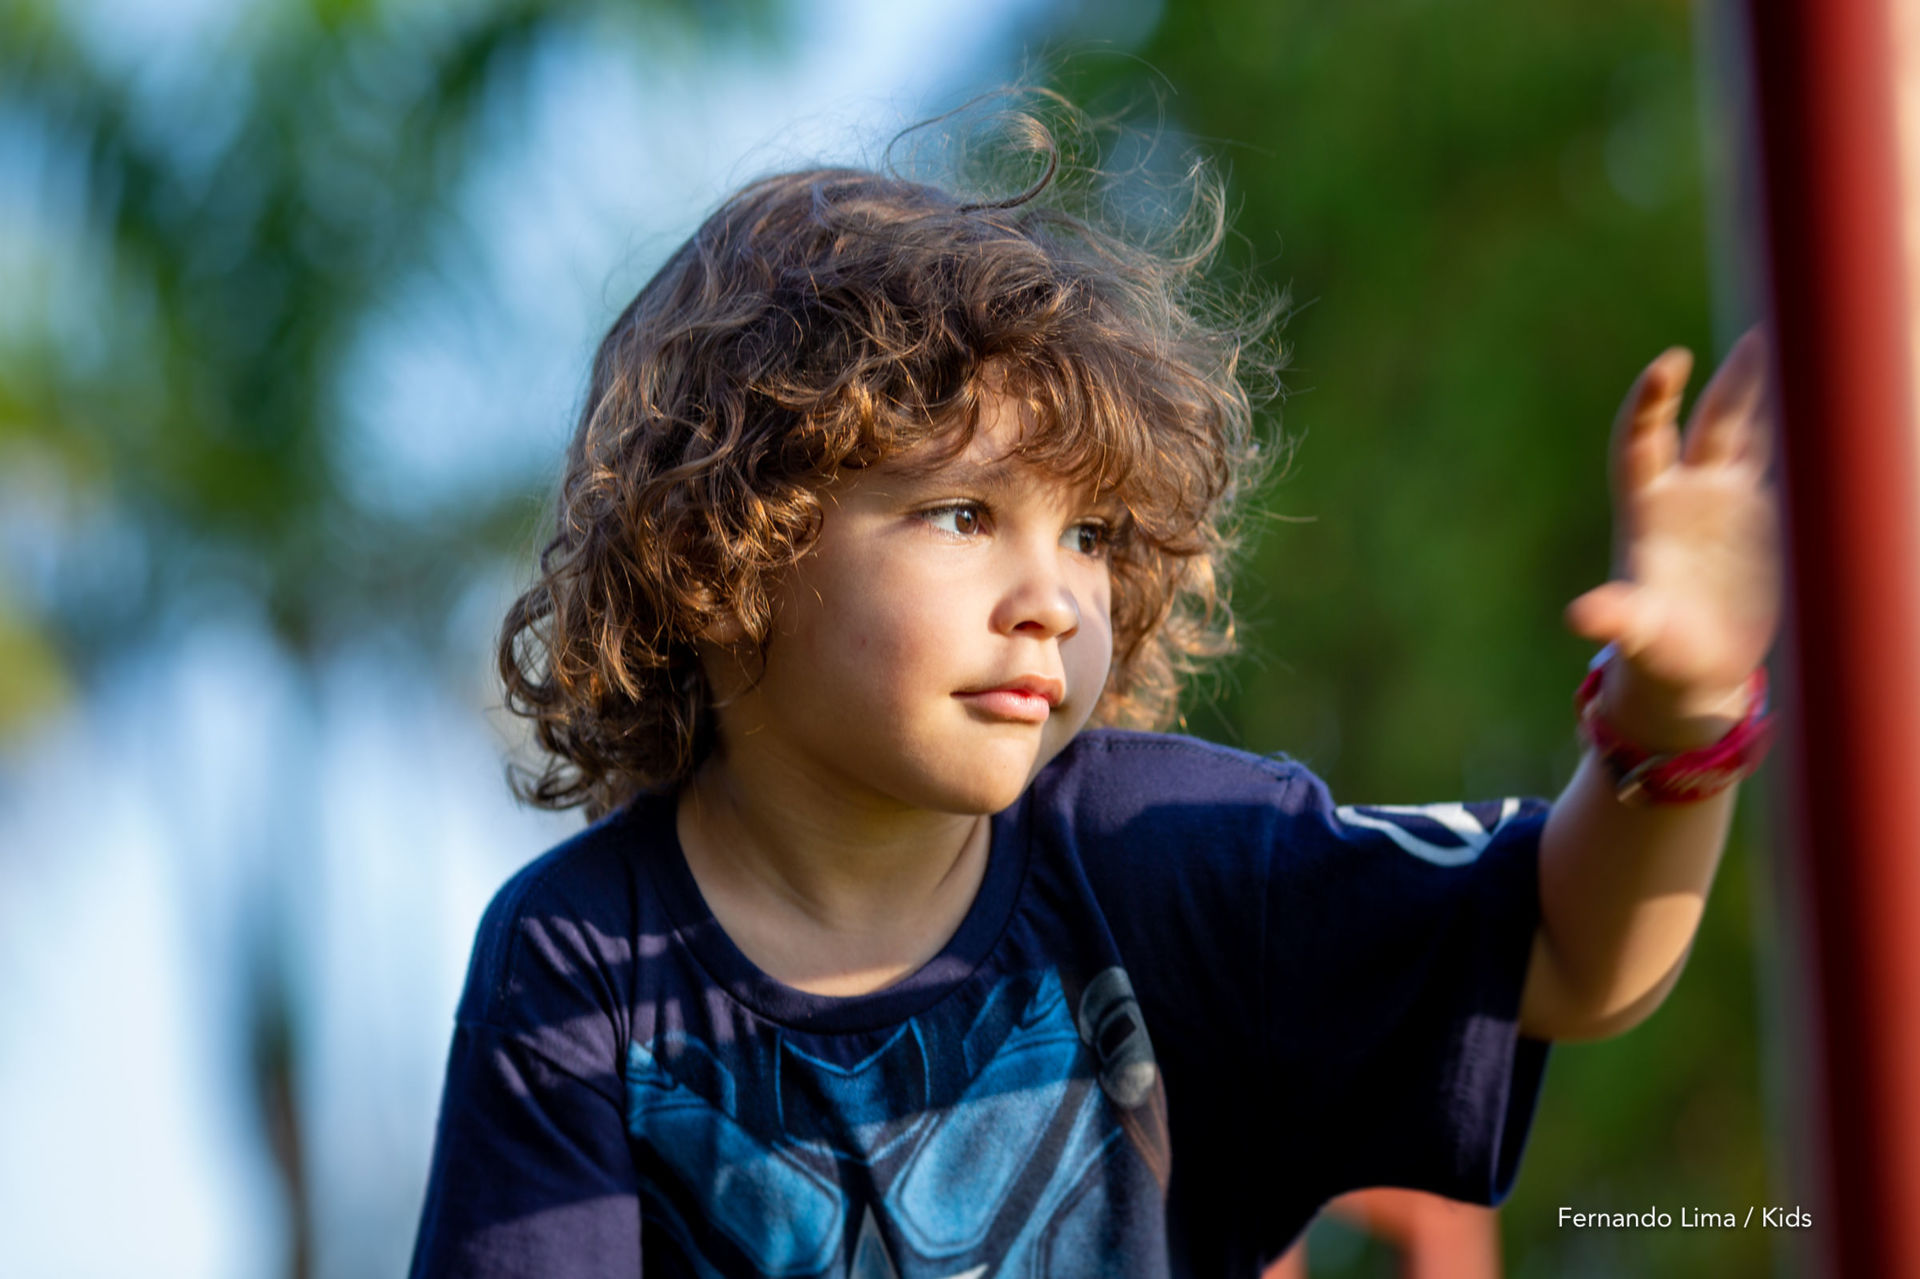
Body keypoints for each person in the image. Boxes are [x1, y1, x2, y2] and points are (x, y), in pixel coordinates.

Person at [408, 112, 1780, 1277]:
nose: (1054, 600)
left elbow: (1570, 958)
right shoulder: (577, 964)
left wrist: (1676, 719)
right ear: (727, 558)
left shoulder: (1164, 857)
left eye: (1094, 537)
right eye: (958, 515)